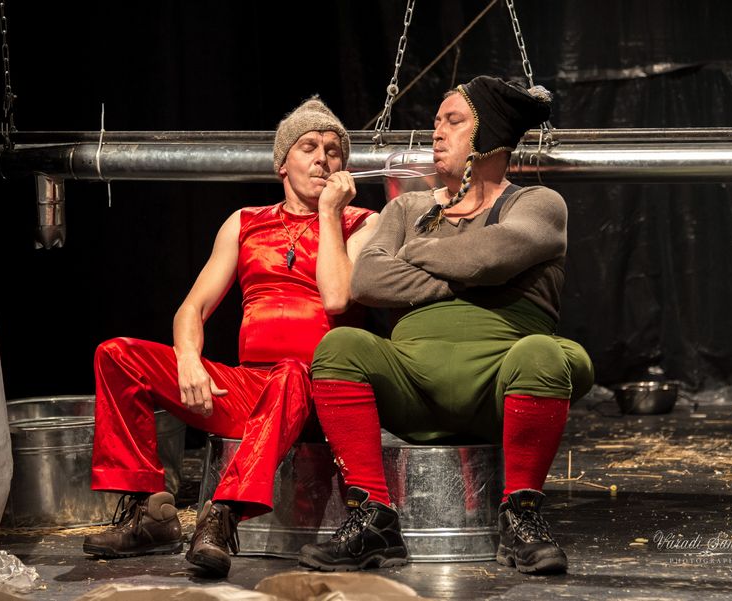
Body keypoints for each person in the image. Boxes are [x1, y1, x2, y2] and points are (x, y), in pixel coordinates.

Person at [299, 76, 594, 575]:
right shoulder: (407, 207)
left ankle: (521, 517)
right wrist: (474, 275)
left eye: (453, 121)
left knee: (543, 353)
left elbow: (487, 258)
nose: (436, 133)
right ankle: (373, 518)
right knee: (341, 345)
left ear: (490, 134)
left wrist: (415, 252)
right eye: (436, 122)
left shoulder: (537, 204)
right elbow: (368, 280)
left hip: (500, 386)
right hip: (413, 388)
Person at [81, 97, 378, 578]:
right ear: (282, 163)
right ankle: (148, 513)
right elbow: (192, 309)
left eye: (333, 151)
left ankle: (221, 517)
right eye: (309, 147)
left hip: (319, 389)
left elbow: (339, 298)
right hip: (251, 386)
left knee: (291, 374)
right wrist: (188, 359)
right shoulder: (245, 222)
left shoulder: (360, 222)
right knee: (117, 355)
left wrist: (329, 214)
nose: (323, 159)